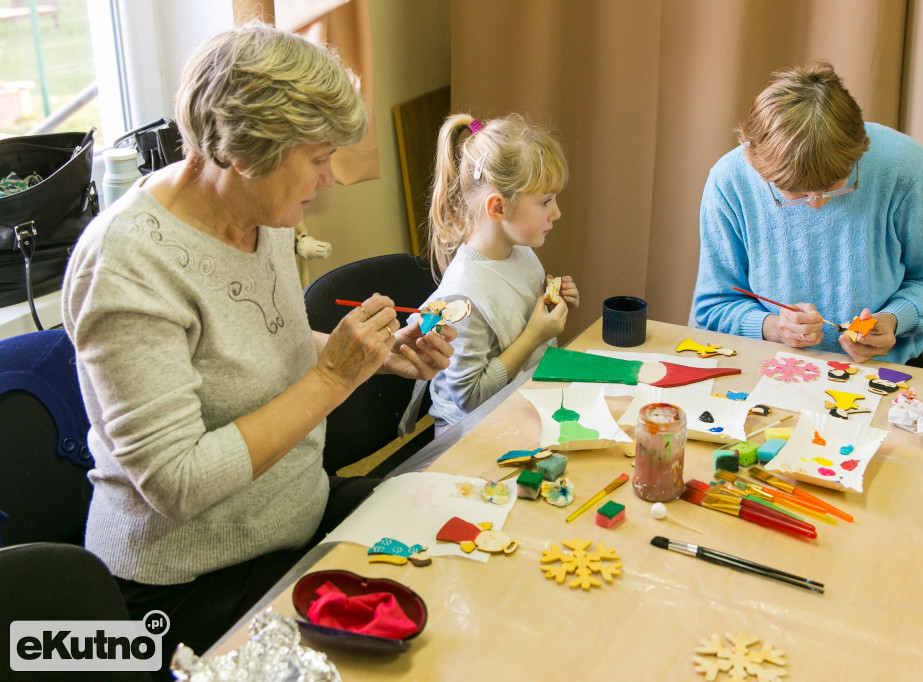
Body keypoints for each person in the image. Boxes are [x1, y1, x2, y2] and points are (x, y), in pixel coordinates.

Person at [61, 23, 455, 674]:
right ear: (245, 152)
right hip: (190, 583)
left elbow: (256, 345)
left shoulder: (260, 213)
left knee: (461, 555)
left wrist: (374, 354)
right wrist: (333, 378)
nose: (330, 178)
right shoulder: (128, 269)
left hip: (294, 518)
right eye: (319, 157)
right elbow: (177, 482)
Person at [691, 61, 923, 366]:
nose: (817, 204)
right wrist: (774, 329)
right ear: (758, 166)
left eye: (834, 186)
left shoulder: (903, 165)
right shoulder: (730, 180)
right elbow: (714, 305)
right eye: (795, 193)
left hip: (883, 369)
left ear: (859, 152)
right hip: (767, 366)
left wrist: (894, 320)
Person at [420, 113, 578, 432]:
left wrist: (553, 303)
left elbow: (513, 321)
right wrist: (535, 334)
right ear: (498, 208)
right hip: (471, 436)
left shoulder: (521, 253)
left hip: (521, 407)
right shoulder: (464, 297)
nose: (557, 212)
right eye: (545, 201)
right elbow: (471, 397)